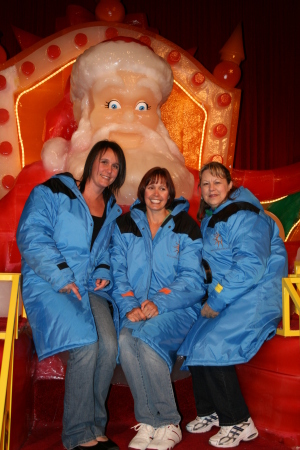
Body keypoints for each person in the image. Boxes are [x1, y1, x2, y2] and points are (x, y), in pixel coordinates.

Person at [16, 140, 126, 450]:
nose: (109, 170)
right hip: (49, 282)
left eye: (115, 166)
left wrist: (104, 270)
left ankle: (95, 427)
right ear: (91, 162)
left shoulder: (113, 210)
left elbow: (109, 251)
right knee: (86, 345)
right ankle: (78, 435)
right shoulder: (53, 191)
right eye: (104, 161)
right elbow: (32, 234)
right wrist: (61, 275)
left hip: (89, 287)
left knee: (109, 345)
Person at [178, 162, 288, 448]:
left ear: (229, 185)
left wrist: (216, 299)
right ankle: (211, 412)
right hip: (232, 293)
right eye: (205, 184)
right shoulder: (213, 217)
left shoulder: (245, 216)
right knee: (192, 343)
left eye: (217, 182)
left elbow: (251, 265)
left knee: (212, 345)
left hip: (258, 294)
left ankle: (239, 422)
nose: (211, 188)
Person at [110, 167, 206, 450]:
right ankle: (149, 421)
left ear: (170, 194)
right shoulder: (125, 223)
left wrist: (159, 302)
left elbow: (192, 279)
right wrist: (130, 305)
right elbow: (118, 272)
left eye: (162, 188)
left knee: (145, 340)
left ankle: (168, 422)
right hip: (136, 308)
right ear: (142, 191)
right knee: (126, 339)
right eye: (150, 187)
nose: (156, 193)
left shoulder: (185, 226)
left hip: (177, 308)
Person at [41, 38, 194, 204]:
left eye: (142, 106)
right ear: (86, 110)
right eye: (112, 105)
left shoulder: (201, 189)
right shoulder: (45, 189)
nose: (129, 117)